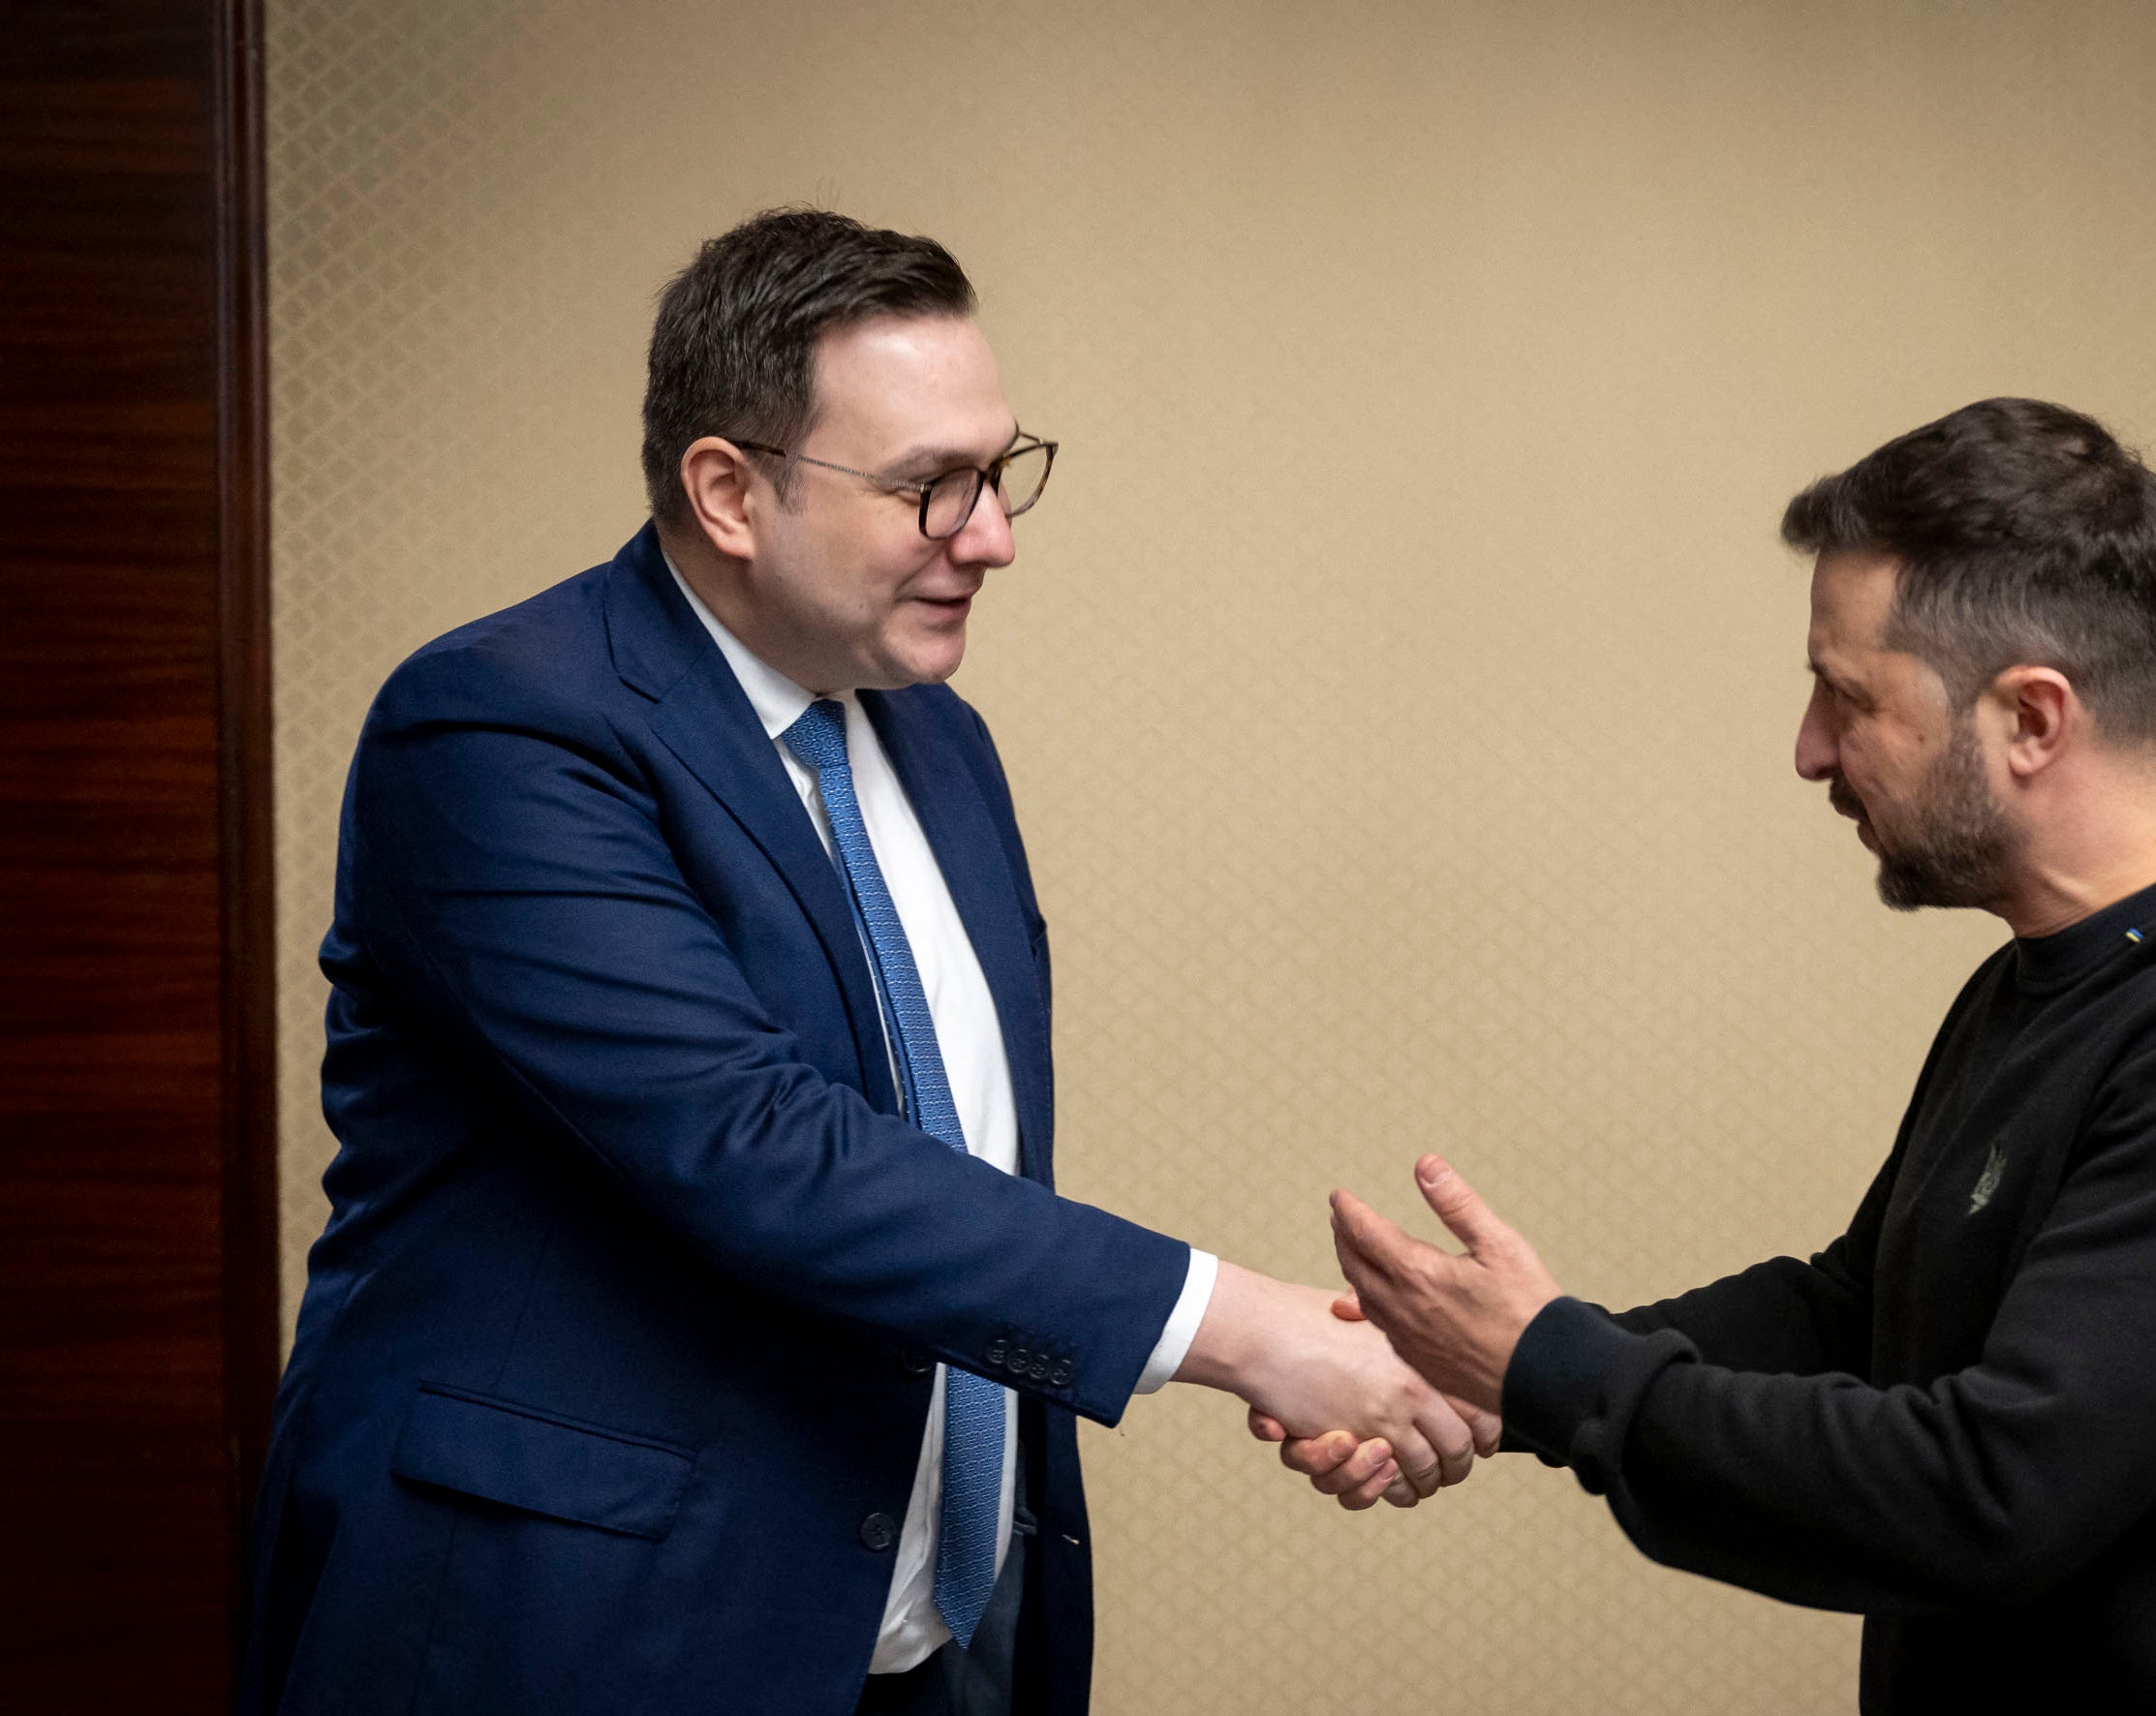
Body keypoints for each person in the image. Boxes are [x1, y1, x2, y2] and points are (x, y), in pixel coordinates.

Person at [237, 208, 1487, 1716]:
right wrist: (1249, 1335)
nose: (994, 534)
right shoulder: (504, 730)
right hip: (573, 1631)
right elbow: (758, 1149)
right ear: (728, 491)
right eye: (928, 487)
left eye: (1002, 470)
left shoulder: (936, 742)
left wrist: (1334, 1361)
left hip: (918, 1634)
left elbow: (960, 1165)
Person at [1275, 398, 2156, 1713]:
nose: (1809, 751)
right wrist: (1500, 1375)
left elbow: (1985, 1497)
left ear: (2032, 718)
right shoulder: (2054, 977)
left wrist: (1553, 1369)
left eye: (1850, 698)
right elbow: (1861, 1315)